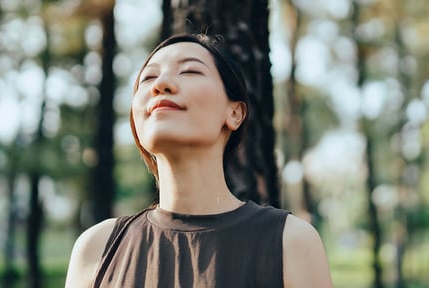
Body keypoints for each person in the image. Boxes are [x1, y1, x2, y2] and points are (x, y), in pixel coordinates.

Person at [65, 34, 333, 288]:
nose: (161, 85)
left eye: (190, 71)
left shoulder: (290, 242)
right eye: (148, 78)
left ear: (235, 113)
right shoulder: (96, 249)